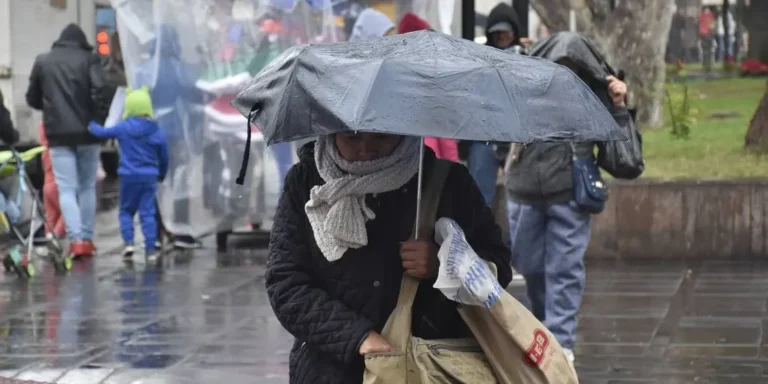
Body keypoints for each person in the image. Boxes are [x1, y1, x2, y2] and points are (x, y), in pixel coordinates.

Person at [266, 133, 512, 383]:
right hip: (330, 371)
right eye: (352, 138)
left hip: (427, 369)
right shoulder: (305, 181)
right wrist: (355, 335)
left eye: (380, 138)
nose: (365, 149)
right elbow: (286, 284)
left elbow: (498, 267)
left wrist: (444, 265)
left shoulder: (447, 182)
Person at [505, 35, 632, 364]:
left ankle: (560, 343)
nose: (565, 74)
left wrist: (618, 107)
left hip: (570, 195)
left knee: (564, 270)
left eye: (573, 68)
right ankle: (545, 329)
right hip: (524, 192)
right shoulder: (524, 87)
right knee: (531, 268)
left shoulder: (593, 94)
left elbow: (626, 162)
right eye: (560, 66)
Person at [25, 23, 109, 258]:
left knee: (67, 188)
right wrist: (97, 118)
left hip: (58, 135)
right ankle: (87, 238)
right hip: (88, 133)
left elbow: (32, 97)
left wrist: (51, 109)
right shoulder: (90, 59)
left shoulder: (43, 61)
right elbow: (99, 91)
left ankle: (76, 240)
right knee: (86, 187)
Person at [135, 24, 204, 249]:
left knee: (153, 183)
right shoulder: (179, 69)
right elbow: (193, 96)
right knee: (180, 179)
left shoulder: (142, 71)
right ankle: (181, 231)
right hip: (175, 130)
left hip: (148, 135)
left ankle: (154, 233)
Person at [88, 87, 169, 262]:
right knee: (147, 212)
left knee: (126, 211)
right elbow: (164, 156)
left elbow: (102, 133)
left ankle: (129, 244)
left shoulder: (124, 128)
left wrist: (89, 123)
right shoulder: (156, 130)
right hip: (149, 176)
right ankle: (150, 249)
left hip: (128, 176)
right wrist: (161, 174)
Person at [462, 2, 523, 207]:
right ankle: (476, 238)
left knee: (519, 203)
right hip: (484, 139)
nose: (502, 36)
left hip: (516, 141)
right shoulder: (479, 61)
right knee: (478, 202)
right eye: (498, 32)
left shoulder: (526, 58)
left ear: (515, 31)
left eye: (506, 31)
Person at [397, 12, 460, 163]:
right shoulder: (434, 78)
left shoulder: (395, 78)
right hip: (427, 159)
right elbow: (444, 131)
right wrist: (451, 164)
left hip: (413, 160)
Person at [39, 124, 66, 238]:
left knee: (50, 216)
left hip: (47, 186)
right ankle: (56, 234)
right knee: (67, 212)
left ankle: (49, 235)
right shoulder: (62, 151)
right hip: (59, 184)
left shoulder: (44, 151)